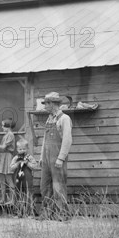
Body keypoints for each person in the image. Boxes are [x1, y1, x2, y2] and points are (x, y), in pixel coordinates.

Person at [39, 92, 73, 220]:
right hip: (46, 158)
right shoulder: (49, 118)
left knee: (58, 186)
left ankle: (62, 215)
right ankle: (47, 213)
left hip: (57, 157)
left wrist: (61, 158)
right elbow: (44, 139)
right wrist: (42, 157)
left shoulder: (64, 119)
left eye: (46, 104)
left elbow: (67, 140)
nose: (45, 106)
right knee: (44, 185)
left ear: (53, 104)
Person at [9, 138, 39, 217]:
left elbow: (35, 167)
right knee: (18, 194)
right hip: (18, 180)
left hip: (28, 180)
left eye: (24, 149)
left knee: (29, 194)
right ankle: (18, 212)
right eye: (20, 149)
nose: (22, 151)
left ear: (27, 149)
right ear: (17, 149)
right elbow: (11, 168)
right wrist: (18, 163)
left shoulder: (29, 157)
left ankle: (30, 212)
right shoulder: (16, 158)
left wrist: (28, 163)